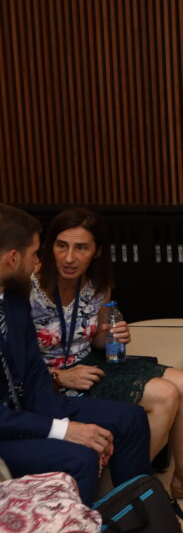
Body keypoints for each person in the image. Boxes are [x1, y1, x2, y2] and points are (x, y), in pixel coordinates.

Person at [29, 207, 183, 506]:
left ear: (97, 251)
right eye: (61, 245)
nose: (69, 258)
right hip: (51, 377)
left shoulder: (97, 283)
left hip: (90, 365)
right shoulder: (29, 287)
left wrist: (112, 335)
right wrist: (60, 375)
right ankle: (125, 493)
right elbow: (15, 359)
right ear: (49, 246)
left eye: (81, 248)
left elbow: (96, 339)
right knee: (165, 394)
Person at [0, 204, 151, 504]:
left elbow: (33, 372)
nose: (38, 262)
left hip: (29, 408)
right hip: (4, 429)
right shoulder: (23, 293)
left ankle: (136, 516)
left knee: (131, 419)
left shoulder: (14, 300)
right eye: (35, 253)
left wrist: (62, 419)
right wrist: (63, 429)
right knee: (81, 456)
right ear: (13, 258)